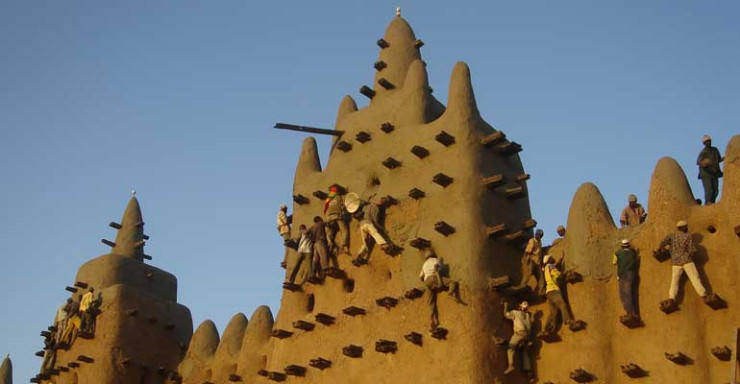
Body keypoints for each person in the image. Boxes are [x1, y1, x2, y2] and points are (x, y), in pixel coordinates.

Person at [660, 220, 707, 306]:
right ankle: (703, 295)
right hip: (686, 261)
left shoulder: (672, 235)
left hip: (675, 262)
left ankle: (671, 298)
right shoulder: (687, 236)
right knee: (695, 278)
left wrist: (668, 249)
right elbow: (692, 250)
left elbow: (662, 243)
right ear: (685, 228)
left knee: (674, 281)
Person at [418, 249, 461, 331]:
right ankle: (450, 292)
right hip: (436, 278)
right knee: (453, 282)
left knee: (431, 302)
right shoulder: (436, 260)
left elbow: (420, 276)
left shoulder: (424, 264)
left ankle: (433, 318)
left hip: (427, 282)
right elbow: (440, 270)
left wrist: (426, 282)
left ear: (426, 257)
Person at [542, 255, 576, 333]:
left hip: (548, 292)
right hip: (554, 290)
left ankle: (546, 330)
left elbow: (554, 268)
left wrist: (559, 262)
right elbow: (558, 276)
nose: (553, 258)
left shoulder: (547, 268)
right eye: (551, 258)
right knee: (562, 304)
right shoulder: (550, 266)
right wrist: (567, 274)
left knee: (553, 313)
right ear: (549, 260)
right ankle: (569, 321)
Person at [503, 301, 534, 379]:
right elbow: (531, 326)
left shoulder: (515, 313)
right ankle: (529, 371)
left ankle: (511, 365)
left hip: (519, 334)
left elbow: (506, 315)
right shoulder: (527, 315)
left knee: (510, 348)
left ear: (519, 307)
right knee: (524, 351)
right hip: (527, 337)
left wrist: (505, 306)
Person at [354, 197, 391, 263]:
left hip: (362, 225)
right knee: (375, 233)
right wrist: (380, 227)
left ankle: (359, 256)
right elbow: (374, 220)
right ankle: (384, 245)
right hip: (368, 224)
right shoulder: (375, 208)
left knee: (365, 242)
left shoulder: (365, 206)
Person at [612, 239, 639, 321]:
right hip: (632, 274)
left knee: (624, 294)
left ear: (622, 246)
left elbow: (614, 262)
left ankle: (630, 312)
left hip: (623, 274)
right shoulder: (632, 252)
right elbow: (636, 257)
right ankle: (633, 312)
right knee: (630, 292)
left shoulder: (618, 253)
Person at [513, 229, 545, 294]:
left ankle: (541, 290)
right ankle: (522, 286)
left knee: (540, 277)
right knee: (528, 274)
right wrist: (526, 259)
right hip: (532, 260)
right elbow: (528, 251)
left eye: (539, 235)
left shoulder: (539, 242)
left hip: (537, 262)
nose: (538, 236)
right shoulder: (532, 240)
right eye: (537, 234)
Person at [696, 135, 724, 205]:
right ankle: (708, 203)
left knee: (716, 190)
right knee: (709, 189)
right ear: (704, 143)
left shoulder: (715, 150)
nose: (708, 143)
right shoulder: (704, 152)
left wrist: (727, 157)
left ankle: (712, 204)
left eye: (709, 141)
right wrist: (705, 163)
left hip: (714, 173)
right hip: (706, 173)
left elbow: (719, 159)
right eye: (706, 142)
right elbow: (698, 162)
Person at [324, 186, 349, 255]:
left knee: (329, 234)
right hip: (337, 216)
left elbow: (325, 210)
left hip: (329, 219)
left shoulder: (328, 200)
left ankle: (329, 245)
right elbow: (344, 206)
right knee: (344, 230)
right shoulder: (340, 197)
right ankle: (344, 246)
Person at [307, 216, 334, 281]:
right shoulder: (321, 223)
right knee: (323, 255)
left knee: (315, 259)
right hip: (320, 241)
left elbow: (306, 233)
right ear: (319, 220)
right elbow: (328, 223)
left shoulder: (313, 227)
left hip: (315, 244)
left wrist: (311, 238)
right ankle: (325, 268)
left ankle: (312, 274)